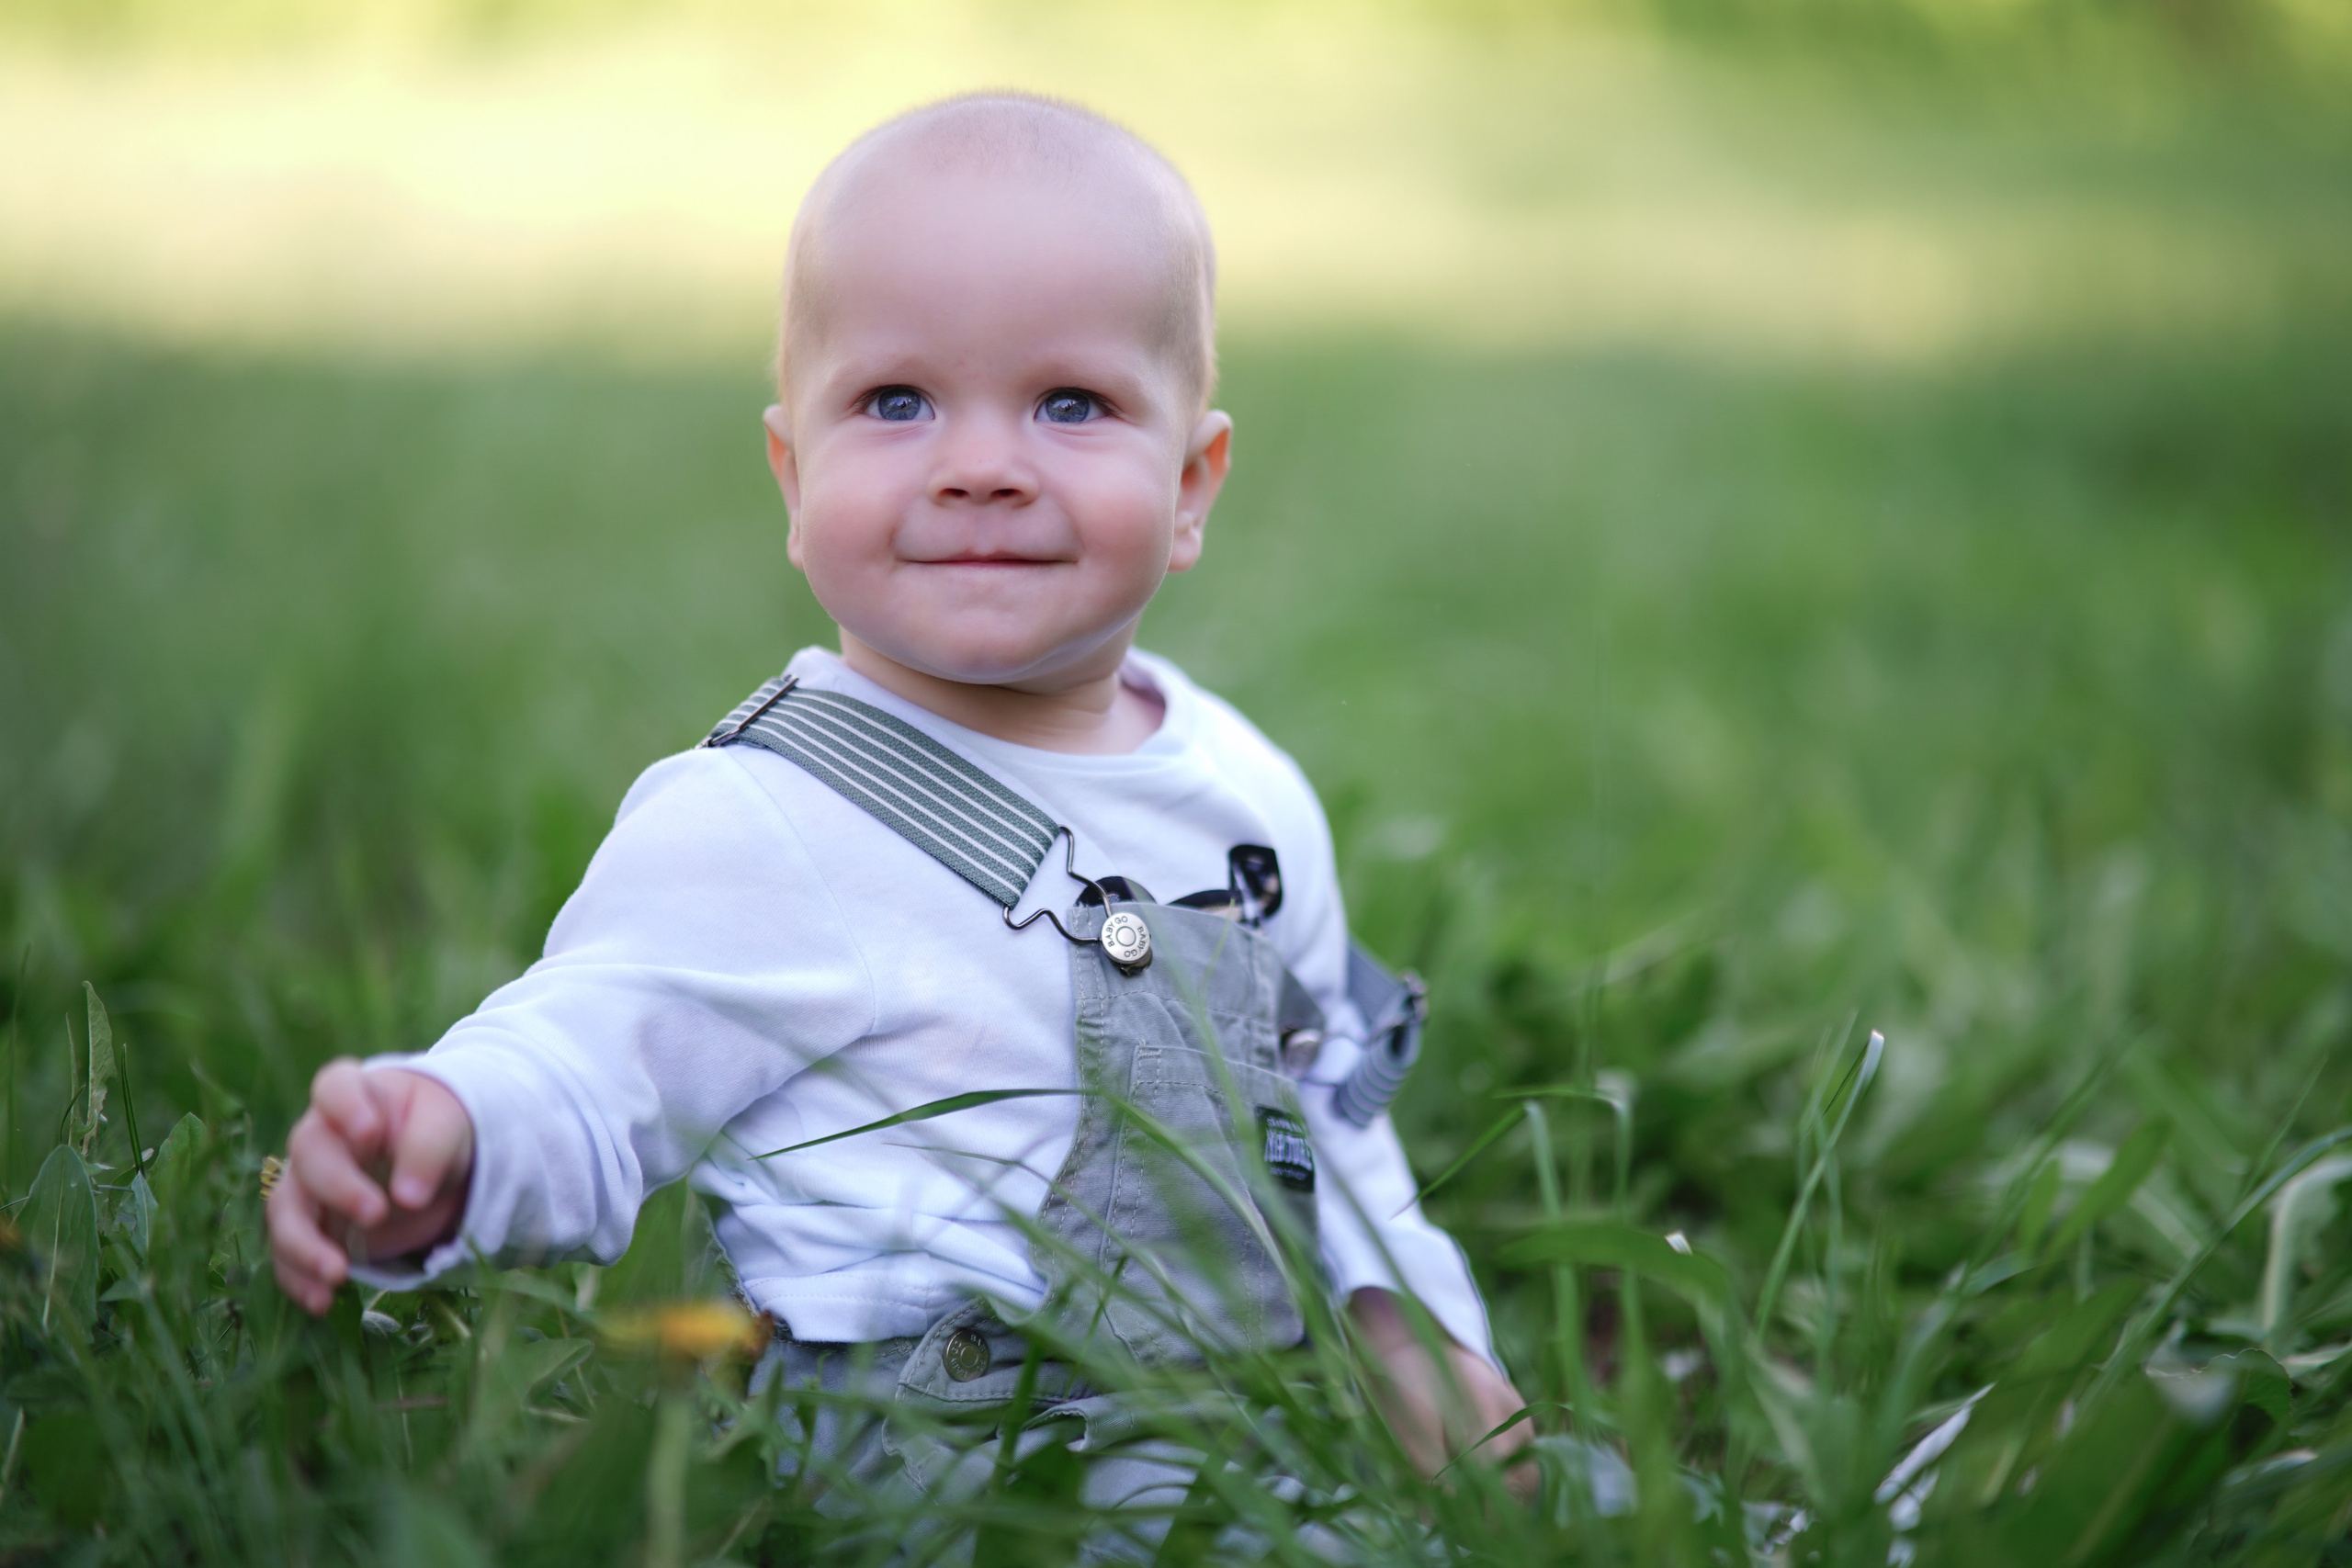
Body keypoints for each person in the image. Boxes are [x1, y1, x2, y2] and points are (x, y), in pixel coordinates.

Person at [266, 91, 1529, 1516]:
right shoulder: (765, 820)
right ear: (794, 477)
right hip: (920, 1458)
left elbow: (1323, 1110)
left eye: (1070, 404)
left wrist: (1407, 1329)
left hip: (1226, 1416)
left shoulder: (1243, 793)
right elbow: (592, 1058)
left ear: (1189, 486)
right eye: (897, 402)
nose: (980, 467)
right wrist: (454, 1132)